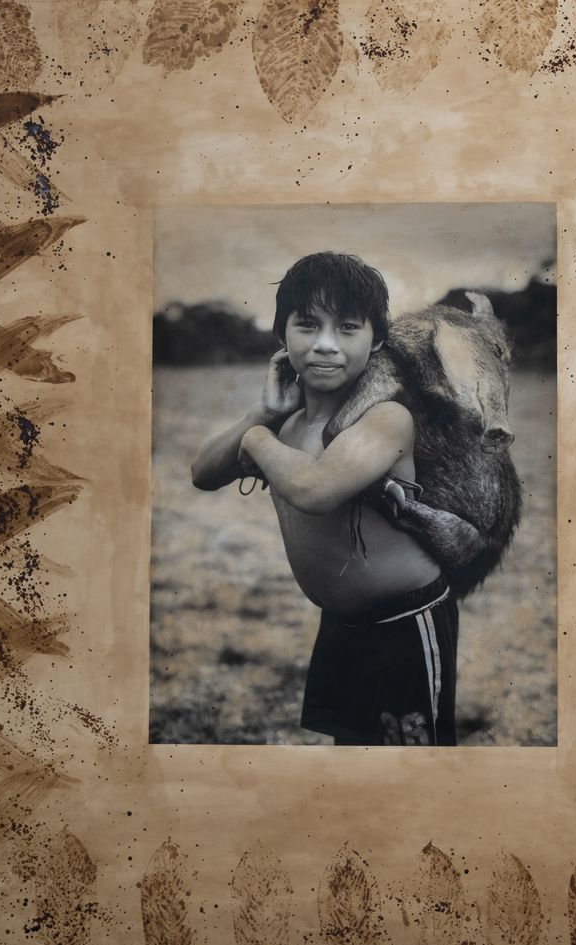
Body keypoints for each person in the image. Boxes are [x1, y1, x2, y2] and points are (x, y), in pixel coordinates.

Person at [191, 252, 458, 746]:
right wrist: (263, 414)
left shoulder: (385, 418)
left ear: (376, 339)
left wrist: (255, 440)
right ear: (282, 335)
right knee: (354, 750)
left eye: (348, 328)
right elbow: (203, 473)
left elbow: (315, 488)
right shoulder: (285, 425)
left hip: (404, 626)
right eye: (308, 326)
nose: (326, 346)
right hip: (342, 624)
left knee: (412, 765)